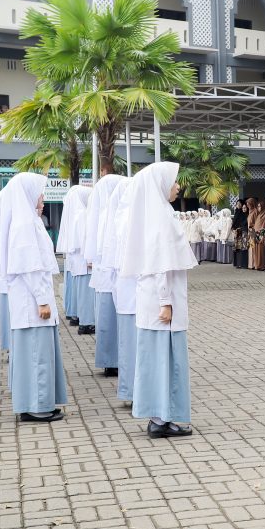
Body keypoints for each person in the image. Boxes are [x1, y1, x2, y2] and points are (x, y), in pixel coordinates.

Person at [118, 162, 197, 439]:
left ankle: (159, 416)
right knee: (165, 361)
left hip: (157, 303)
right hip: (162, 304)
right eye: (174, 182)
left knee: (156, 360)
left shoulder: (156, 214)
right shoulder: (161, 218)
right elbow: (159, 264)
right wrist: (166, 302)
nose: (178, 186)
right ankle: (163, 418)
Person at [0, 172, 67, 422]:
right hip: (33, 303)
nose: (42, 199)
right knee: (37, 355)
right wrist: (43, 300)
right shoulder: (24, 225)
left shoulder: (28, 221)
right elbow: (31, 268)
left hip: (31, 301)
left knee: (35, 354)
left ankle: (33, 403)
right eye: (40, 193)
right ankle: (37, 406)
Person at [86, 174, 124, 376]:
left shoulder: (103, 214)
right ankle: (111, 359)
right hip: (109, 274)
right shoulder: (107, 215)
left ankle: (111, 360)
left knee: (107, 319)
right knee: (110, 319)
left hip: (106, 274)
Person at [107, 179, 136, 405]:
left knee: (129, 344)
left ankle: (130, 390)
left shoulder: (121, 217)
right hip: (133, 291)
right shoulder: (130, 219)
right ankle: (133, 391)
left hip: (127, 291)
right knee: (133, 344)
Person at [65, 186, 94, 333]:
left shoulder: (76, 214)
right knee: (86, 295)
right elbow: (85, 240)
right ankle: (87, 323)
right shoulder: (83, 214)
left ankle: (83, 320)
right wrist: (90, 258)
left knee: (81, 294)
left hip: (78, 261)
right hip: (84, 261)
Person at [232, 200, 248, 269]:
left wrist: (238, 228)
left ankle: (241, 263)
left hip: (241, 232)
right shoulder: (236, 212)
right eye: (237, 204)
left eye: (239, 204)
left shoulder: (243, 213)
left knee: (241, 247)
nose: (238, 205)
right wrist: (233, 229)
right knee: (237, 248)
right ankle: (237, 263)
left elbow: (243, 222)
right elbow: (234, 222)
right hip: (236, 232)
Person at [253, 199, 265, 271]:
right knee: (256, 250)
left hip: (261, 234)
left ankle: (262, 265)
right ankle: (257, 265)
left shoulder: (264, 215)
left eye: (260, 206)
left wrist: (262, 236)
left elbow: (264, 227)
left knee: (261, 251)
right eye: (258, 206)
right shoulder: (258, 215)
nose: (259, 208)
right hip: (256, 234)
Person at [246, 198, 258, 269]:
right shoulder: (250, 212)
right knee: (250, 247)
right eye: (247, 204)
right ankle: (250, 264)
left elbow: (257, 222)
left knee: (253, 247)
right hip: (250, 232)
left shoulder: (255, 211)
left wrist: (252, 226)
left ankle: (254, 264)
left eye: (249, 204)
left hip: (253, 231)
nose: (248, 205)